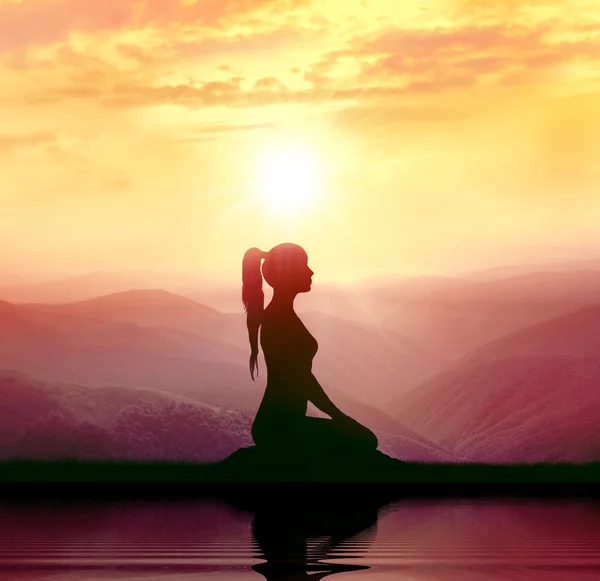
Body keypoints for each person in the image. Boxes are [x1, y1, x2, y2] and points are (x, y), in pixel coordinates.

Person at [242, 243, 378, 459]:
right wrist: (338, 416)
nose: (310, 271)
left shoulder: (279, 316)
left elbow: (302, 377)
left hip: (282, 422)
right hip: (279, 426)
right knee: (365, 440)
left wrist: (338, 417)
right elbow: (302, 380)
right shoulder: (279, 320)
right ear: (286, 275)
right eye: (303, 265)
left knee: (364, 440)